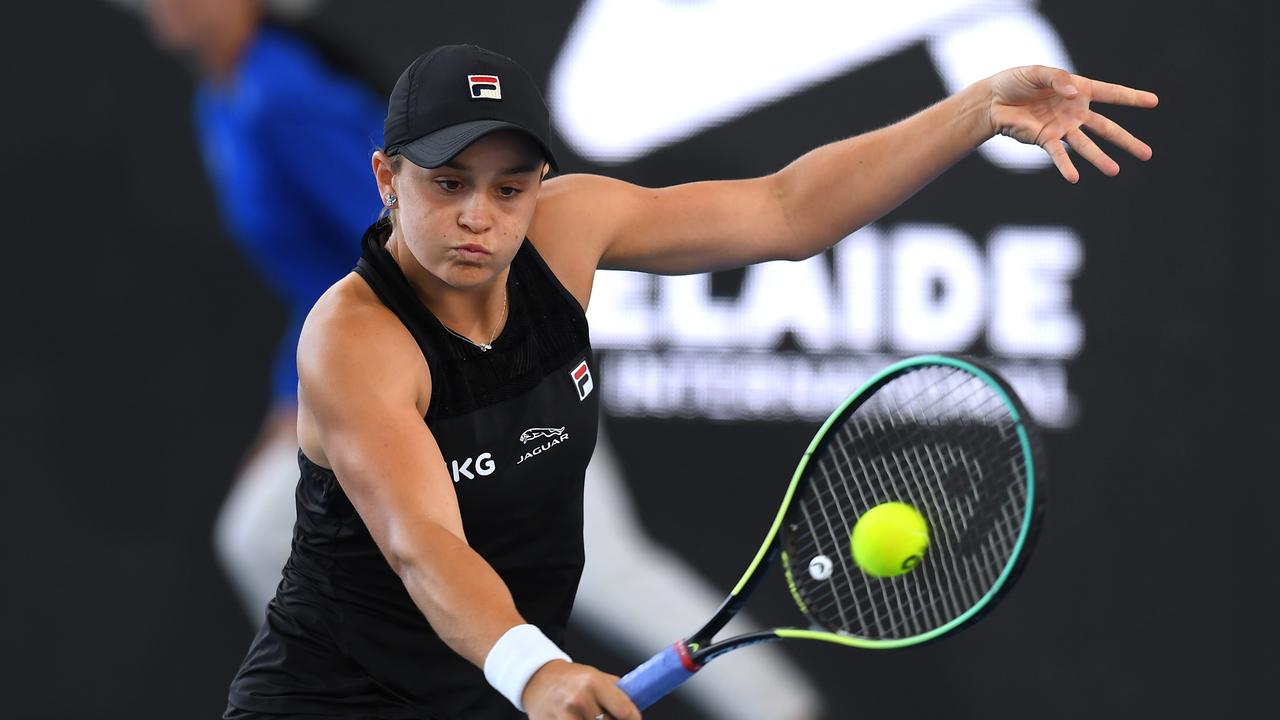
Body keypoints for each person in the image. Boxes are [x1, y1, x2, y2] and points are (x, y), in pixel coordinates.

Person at [225, 44, 1156, 720]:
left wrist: (977, 109)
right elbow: (423, 541)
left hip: (480, 690)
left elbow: (787, 210)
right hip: (332, 699)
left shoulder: (565, 231)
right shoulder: (354, 337)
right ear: (387, 178)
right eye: (448, 182)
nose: (481, 217)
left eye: (510, 188)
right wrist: (539, 672)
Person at [136, 0, 386, 619]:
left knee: (264, 537)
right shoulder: (225, 99)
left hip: (445, 353)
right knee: (267, 541)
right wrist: (293, 393)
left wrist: (311, 392)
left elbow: (395, 248)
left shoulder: (280, 96)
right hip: (373, 355)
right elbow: (321, 278)